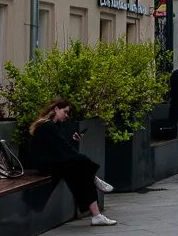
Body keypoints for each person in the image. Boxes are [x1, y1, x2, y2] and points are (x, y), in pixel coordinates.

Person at [29, 97, 116, 226]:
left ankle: (96, 213)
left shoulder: (53, 125)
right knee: (82, 165)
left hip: (53, 162)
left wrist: (74, 141)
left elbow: (61, 148)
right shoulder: (47, 126)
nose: (66, 115)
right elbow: (62, 149)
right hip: (46, 165)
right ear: (56, 109)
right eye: (65, 111)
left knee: (81, 173)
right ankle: (95, 182)